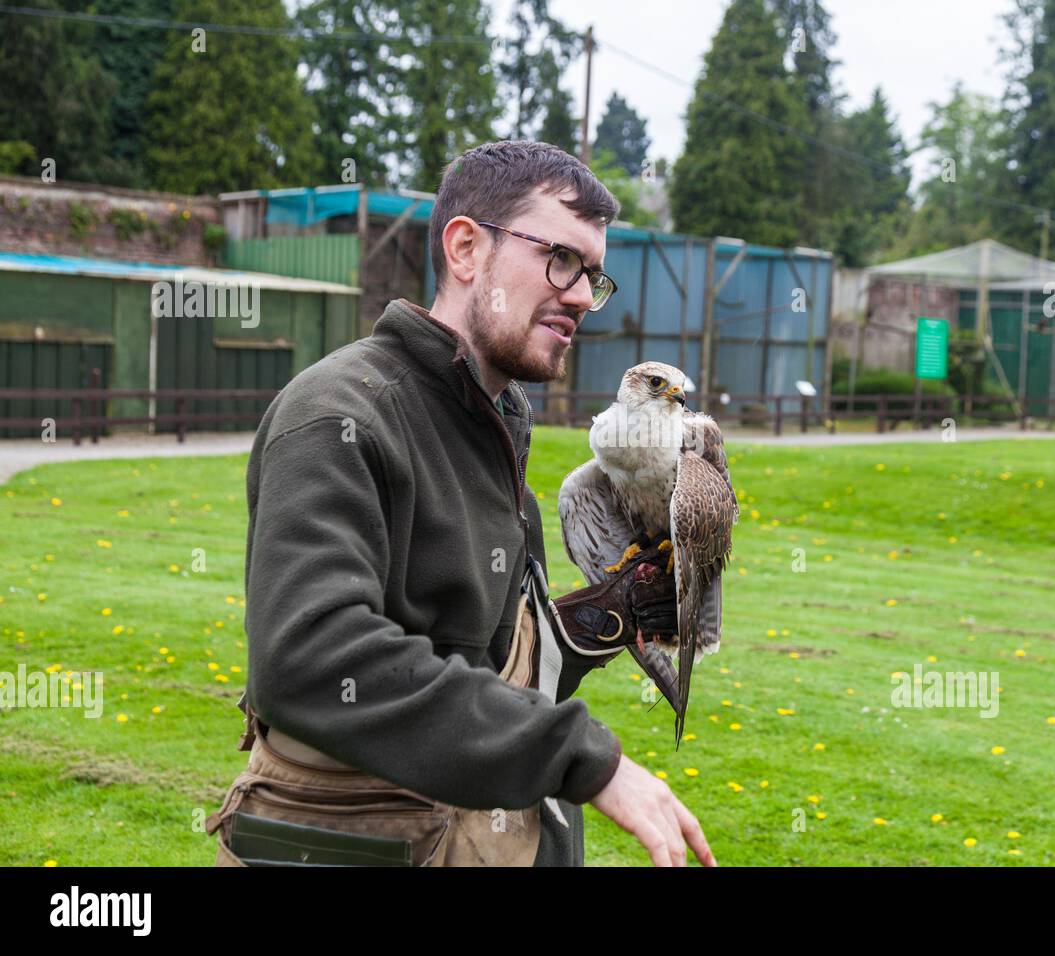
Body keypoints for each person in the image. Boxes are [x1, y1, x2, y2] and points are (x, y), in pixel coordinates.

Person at [214, 140, 715, 868]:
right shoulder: (340, 414)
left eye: (594, 276)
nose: (581, 294)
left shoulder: (495, 417)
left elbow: (477, 665)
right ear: (466, 248)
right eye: (562, 259)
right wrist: (582, 756)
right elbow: (311, 659)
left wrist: (606, 616)